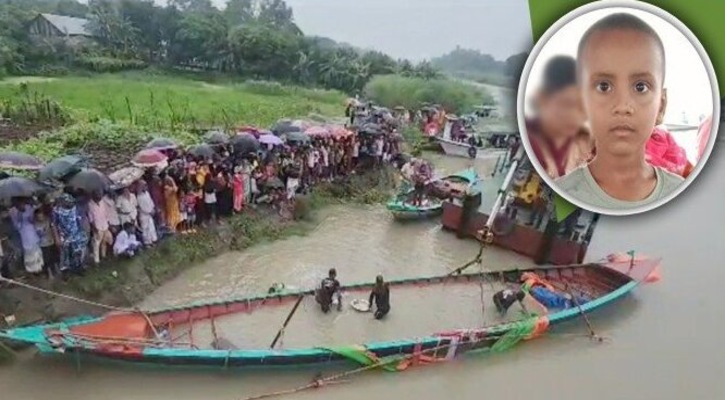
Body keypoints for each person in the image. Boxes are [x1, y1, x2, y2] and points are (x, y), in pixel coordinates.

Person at [555, 13, 684, 209]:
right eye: (604, 86)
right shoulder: (558, 196)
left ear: (661, 105)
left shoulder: (684, 196)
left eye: (640, 87)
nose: (623, 106)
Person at [526, 55, 593, 179]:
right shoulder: (528, 142)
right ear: (543, 98)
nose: (576, 116)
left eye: (583, 108)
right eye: (567, 104)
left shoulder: (587, 144)